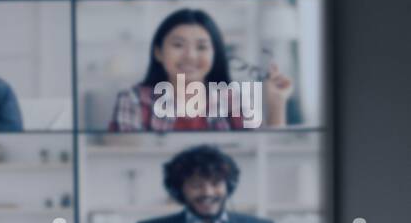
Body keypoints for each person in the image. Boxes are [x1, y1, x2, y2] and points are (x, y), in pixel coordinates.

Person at [109, 8, 293, 131]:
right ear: (158, 52)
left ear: (215, 54)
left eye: (201, 47)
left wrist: (277, 103)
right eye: (178, 45)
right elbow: (123, 157)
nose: (190, 56)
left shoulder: (233, 99)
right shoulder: (132, 99)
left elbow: (263, 155)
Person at [104, 144, 273, 223]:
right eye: (196, 185)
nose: (207, 193)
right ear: (179, 189)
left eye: (215, 184)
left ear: (228, 186)